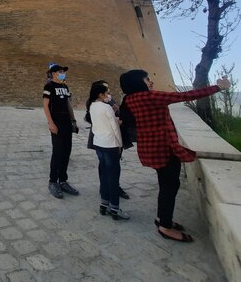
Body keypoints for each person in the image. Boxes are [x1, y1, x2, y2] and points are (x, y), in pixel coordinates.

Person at [120, 69, 230, 242]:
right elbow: (185, 96)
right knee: (169, 187)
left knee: (166, 185)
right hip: (164, 149)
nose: (151, 81)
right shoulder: (150, 97)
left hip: (150, 148)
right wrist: (218, 87)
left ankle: (162, 218)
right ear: (137, 82)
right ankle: (165, 226)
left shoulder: (129, 100)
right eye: (147, 79)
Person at [86, 83, 129, 220]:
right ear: (100, 94)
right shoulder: (107, 107)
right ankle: (115, 208)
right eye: (107, 92)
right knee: (113, 177)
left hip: (98, 142)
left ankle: (104, 204)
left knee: (104, 174)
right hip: (110, 144)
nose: (109, 95)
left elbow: (97, 124)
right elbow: (115, 128)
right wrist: (120, 144)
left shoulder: (92, 106)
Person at [43, 63, 79, 199]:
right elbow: (45, 105)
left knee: (66, 152)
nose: (63, 73)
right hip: (56, 124)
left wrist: (73, 121)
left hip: (66, 125)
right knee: (57, 153)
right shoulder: (49, 86)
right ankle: (52, 181)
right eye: (60, 71)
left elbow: (68, 104)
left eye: (63, 71)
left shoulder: (65, 86)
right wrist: (50, 123)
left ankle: (63, 181)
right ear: (53, 73)